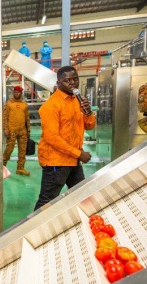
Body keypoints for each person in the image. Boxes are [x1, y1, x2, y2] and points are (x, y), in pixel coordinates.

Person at [35, 66, 96, 210]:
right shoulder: (51, 105)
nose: (72, 83)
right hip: (56, 162)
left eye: (75, 79)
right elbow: (52, 137)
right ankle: (34, 231)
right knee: (46, 202)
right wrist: (79, 154)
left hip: (73, 160)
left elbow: (89, 127)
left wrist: (88, 113)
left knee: (82, 194)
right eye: (67, 80)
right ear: (59, 83)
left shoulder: (77, 101)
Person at [3, 86, 31, 176]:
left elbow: (27, 119)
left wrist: (28, 131)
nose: (16, 94)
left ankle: (20, 168)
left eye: (18, 92)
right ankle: (2, 167)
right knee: (8, 150)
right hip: (11, 131)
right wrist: (5, 129)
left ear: (21, 93)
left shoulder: (24, 105)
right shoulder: (8, 104)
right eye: (15, 92)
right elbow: (5, 117)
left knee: (22, 151)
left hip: (22, 131)